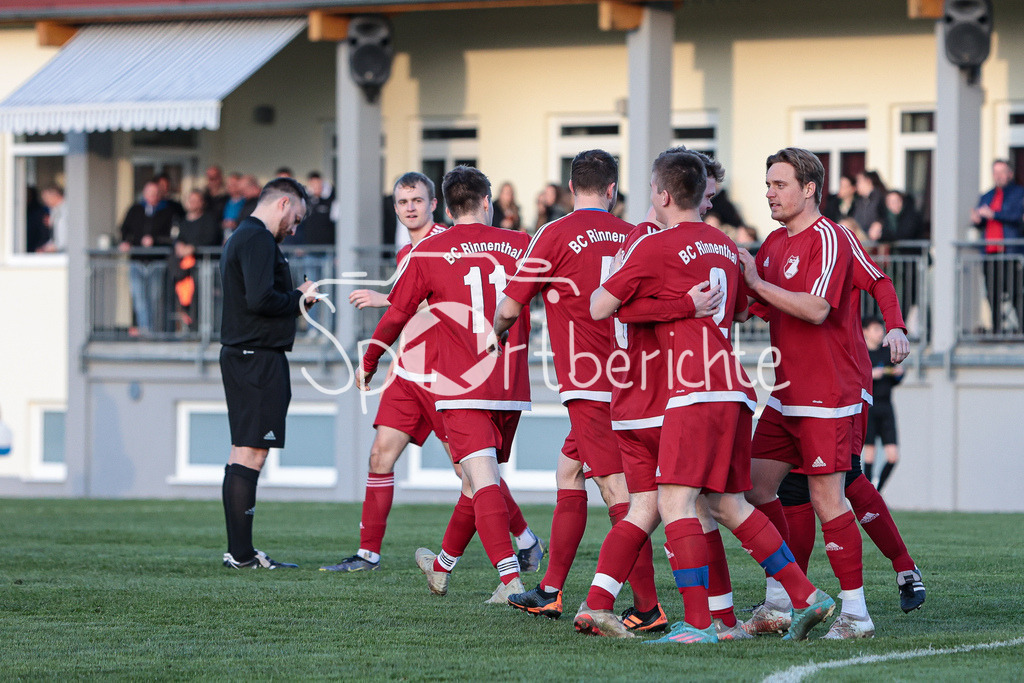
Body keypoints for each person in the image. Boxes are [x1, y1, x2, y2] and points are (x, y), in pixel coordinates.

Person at [586, 149, 834, 644]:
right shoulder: (725, 246)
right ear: (702, 196)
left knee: (675, 503)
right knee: (728, 504)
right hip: (735, 390)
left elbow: (599, 306)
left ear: (661, 195)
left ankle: (699, 624)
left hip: (690, 390)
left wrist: (673, 304)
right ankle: (808, 595)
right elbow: (743, 311)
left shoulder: (654, 246)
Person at [321, 172, 542, 574]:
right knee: (379, 455)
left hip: (449, 373)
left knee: (472, 471)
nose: (410, 208)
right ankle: (368, 553)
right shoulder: (412, 251)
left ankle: (524, 541)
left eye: (417, 201)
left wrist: (384, 302)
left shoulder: (440, 245)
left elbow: (444, 307)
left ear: (435, 204)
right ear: (395, 209)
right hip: (409, 370)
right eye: (403, 202)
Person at [493, 150, 662, 631]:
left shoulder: (554, 233)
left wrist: (497, 331)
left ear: (572, 188)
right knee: (569, 471)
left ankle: (648, 607)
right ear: (612, 190)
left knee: (618, 493)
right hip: (632, 376)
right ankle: (550, 589)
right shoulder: (633, 234)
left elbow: (510, 304)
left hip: (589, 385)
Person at [592, 149, 753, 640]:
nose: (708, 206)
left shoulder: (655, 239)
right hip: (669, 393)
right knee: (702, 505)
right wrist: (686, 303)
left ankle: (598, 603)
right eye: (707, 196)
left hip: (640, 392)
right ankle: (718, 617)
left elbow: (608, 305)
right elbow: (611, 307)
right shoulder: (664, 241)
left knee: (653, 506)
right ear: (676, 195)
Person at [739, 147, 874, 640]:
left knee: (827, 498)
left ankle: (856, 614)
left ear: (809, 188)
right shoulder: (773, 243)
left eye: (778, 183)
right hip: (784, 393)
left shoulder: (831, 237)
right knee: (752, 489)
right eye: (768, 183)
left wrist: (753, 281)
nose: (769, 192)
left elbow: (816, 308)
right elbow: (761, 304)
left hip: (826, 393)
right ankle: (778, 600)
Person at [219, 177, 318, 569]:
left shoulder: (246, 236)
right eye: (297, 217)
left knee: (244, 449)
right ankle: (241, 555)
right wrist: (300, 298)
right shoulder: (257, 238)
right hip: (255, 357)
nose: (295, 228)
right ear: (282, 203)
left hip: (249, 355)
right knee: (251, 451)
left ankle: (240, 553)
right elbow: (260, 299)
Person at [970, 159, 1024, 335]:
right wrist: (978, 220)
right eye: (995, 172)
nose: (998, 176)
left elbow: (1017, 217)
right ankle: (997, 329)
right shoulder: (987, 195)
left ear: (1010, 174)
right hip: (990, 252)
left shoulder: (1018, 193)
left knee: (1015, 292)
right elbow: (981, 219)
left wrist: (994, 214)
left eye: (1002, 172)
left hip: (1009, 252)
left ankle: (1021, 328)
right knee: (992, 293)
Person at [119, 180, 176, 335]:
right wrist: (128, 242)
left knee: (155, 299)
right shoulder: (135, 210)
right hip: (137, 261)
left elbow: (172, 237)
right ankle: (146, 331)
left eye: (156, 193)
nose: (152, 196)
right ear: (144, 194)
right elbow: (124, 230)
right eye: (149, 193)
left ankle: (155, 332)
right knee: (140, 300)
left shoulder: (167, 212)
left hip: (157, 262)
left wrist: (155, 241)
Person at [862, 317, 904, 492]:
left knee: (893, 456)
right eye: (876, 329)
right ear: (865, 331)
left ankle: (877, 491)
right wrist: (871, 374)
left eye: (881, 330)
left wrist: (898, 374)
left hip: (886, 407)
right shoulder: (861, 353)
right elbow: (855, 379)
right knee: (869, 454)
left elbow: (896, 380)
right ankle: (868, 494)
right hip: (869, 408)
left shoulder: (887, 353)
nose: (880, 334)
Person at [171, 190, 222, 331]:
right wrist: (179, 245)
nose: (192, 203)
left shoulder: (209, 220)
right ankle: (189, 331)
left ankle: (204, 331)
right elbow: (176, 239)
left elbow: (211, 238)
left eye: (196, 200)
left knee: (203, 301)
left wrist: (193, 247)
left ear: (202, 203)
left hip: (204, 269)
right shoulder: (181, 221)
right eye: (190, 200)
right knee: (184, 302)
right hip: (184, 271)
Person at [854, 170, 886, 243]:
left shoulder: (881, 197)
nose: (857, 185)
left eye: (859, 181)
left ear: (868, 181)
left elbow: (886, 218)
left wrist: (879, 224)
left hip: (875, 238)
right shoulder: (859, 201)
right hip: (861, 235)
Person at [38, 184, 68, 253]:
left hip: (67, 253)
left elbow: (64, 237)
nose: (45, 202)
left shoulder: (66, 210)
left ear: (54, 196)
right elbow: (55, 237)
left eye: (46, 198)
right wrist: (45, 248)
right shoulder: (54, 211)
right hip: (59, 252)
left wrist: (54, 247)